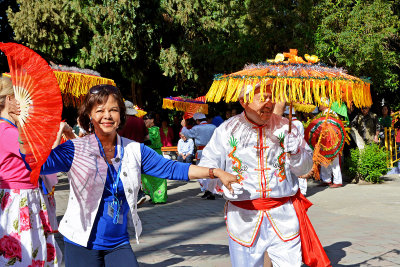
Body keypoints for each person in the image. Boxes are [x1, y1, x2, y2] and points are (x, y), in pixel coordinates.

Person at [14, 85, 237, 267]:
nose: (107, 116)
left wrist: (215, 171)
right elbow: (38, 165)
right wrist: (24, 130)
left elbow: (173, 169)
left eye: (113, 110)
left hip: (117, 241)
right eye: (99, 110)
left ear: (121, 115)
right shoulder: (75, 148)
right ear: (89, 116)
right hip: (80, 241)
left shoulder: (134, 150)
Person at [199, 83, 330, 266]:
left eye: (271, 97)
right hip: (243, 218)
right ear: (243, 101)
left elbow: (305, 168)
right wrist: (221, 185)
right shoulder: (227, 130)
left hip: (283, 215)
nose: (269, 103)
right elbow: (206, 169)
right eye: (263, 98)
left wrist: (298, 153)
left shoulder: (287, 127)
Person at [0, 75, 62, 266]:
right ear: (10, 100)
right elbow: (42, 158)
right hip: (20, 198)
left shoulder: (8, 130)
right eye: (18, 96)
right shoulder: (8, 132)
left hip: (19, 196)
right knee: (27, 253)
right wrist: (59, 133)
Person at [118, 100, 148, 205]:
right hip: (140, 149)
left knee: (127, 173)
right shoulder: (140, 121)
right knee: (136, 172)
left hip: (126, 150)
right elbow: (146, 136)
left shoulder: (122, 122)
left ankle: (138, 194)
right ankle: (137, 193)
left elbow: (118, 137)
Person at [181, 112, 217, 200]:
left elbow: (186, 134)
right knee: (212, 171)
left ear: (197, 120)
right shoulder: (213, 127)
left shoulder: (196, 128)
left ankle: (207, 190)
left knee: (201, 171)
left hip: (202, 152)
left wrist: (184, 125)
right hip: (213, 151)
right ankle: (210, 190)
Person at [141, 112, 168, 203]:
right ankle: (153, 195)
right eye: (144, 119)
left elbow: (148, 139)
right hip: (146, 155)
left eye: (146, 119)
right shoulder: (146, 130)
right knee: (146, 176)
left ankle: (159, 198)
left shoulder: (154, 129)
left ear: (152, 120)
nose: (145, 121)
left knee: (157, 176)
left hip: (155, 155)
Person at [318, 100, 343, 188]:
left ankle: (337, 181)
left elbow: (336, 126)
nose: (318, 105)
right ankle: (326, 179)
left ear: (324, 104)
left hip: (332, 140)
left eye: (320, 103)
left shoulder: (331, 113)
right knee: (324, 160)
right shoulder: (322, 114)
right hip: (324, 141)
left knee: (334, 160)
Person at [283, 106, 307, 195]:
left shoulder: (290, 124)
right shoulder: (299, 123)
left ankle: (300, 190)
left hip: (292, 149)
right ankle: (302, 190)